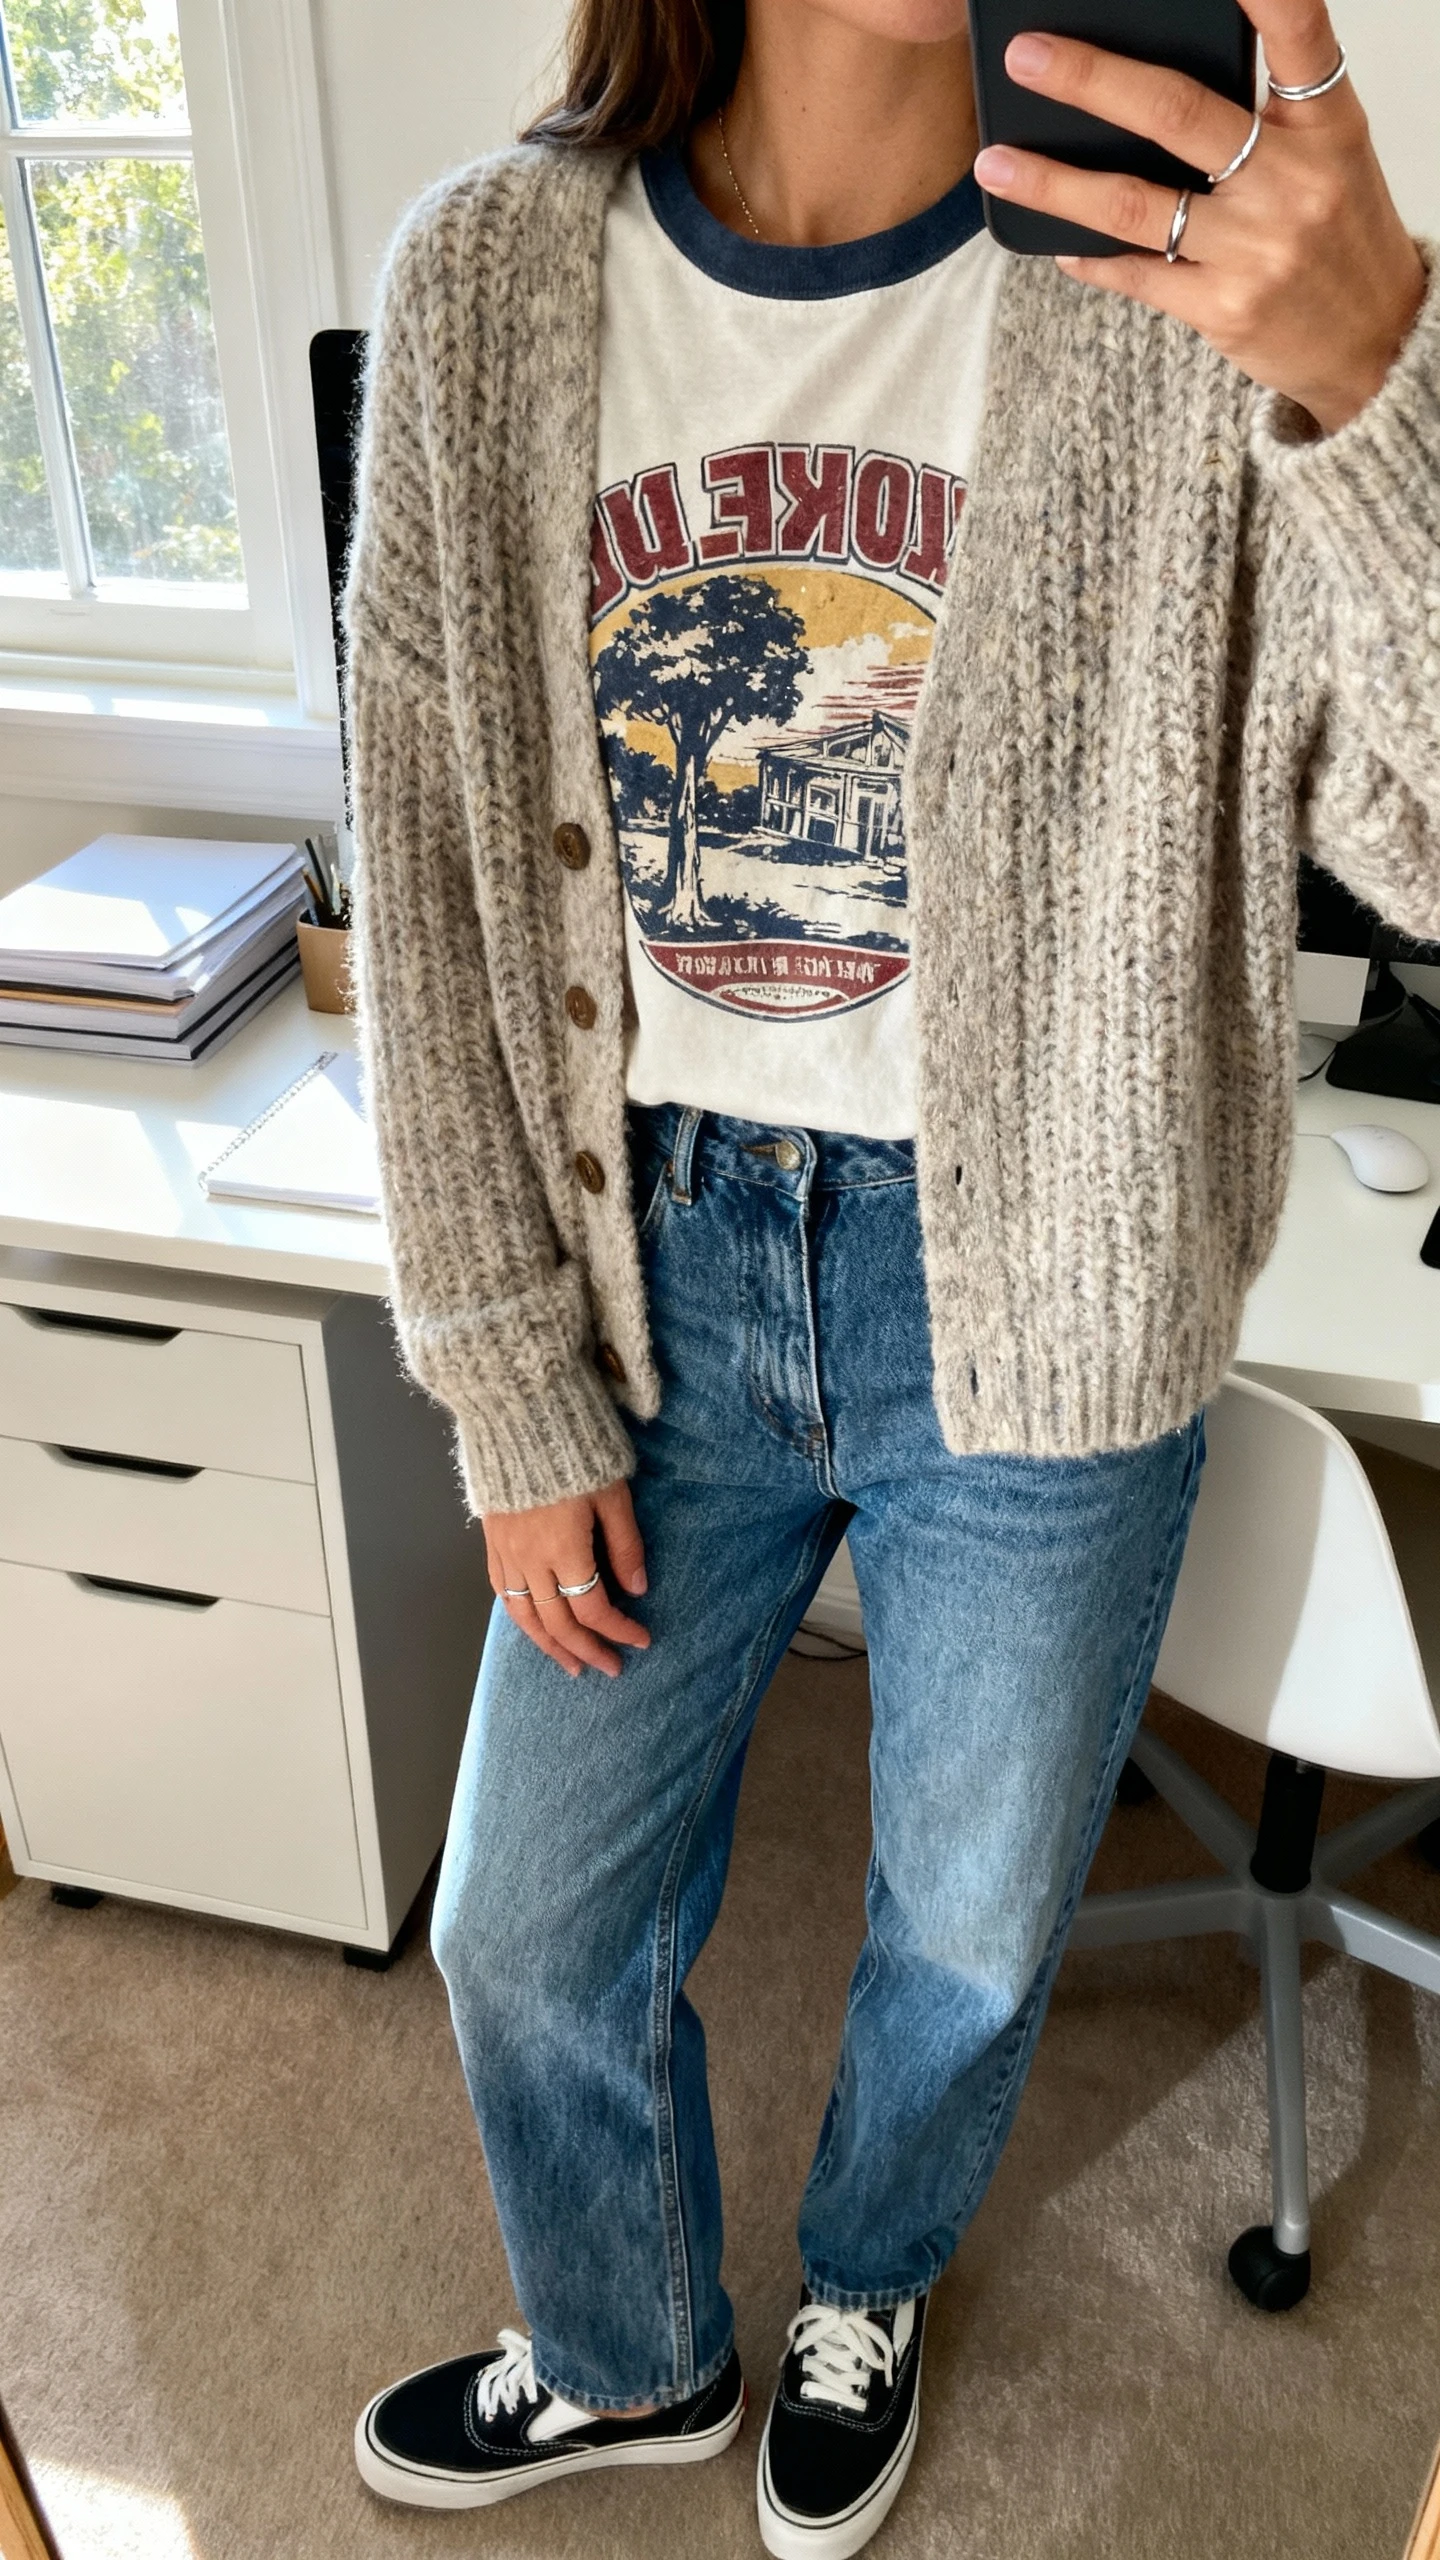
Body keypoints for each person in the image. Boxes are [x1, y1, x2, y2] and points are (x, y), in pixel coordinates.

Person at [345, 0, 1439, 2545]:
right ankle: (622, 2348)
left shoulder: (1185, 292)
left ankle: (870, 2265)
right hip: (663, 1277)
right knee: (519, 1920)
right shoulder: (490, 284)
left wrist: (1381, 369)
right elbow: (424, 869)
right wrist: (506, 1373)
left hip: (1047, 1296)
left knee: (960, 1922)